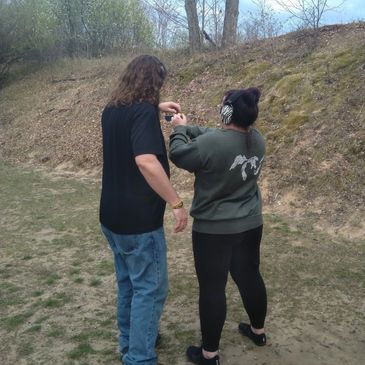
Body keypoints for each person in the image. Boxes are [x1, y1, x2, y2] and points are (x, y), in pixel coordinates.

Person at [99, 55, 188, 365]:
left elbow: (134, 117)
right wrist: (176, 203)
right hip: (138, 223)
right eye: (159, 85)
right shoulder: (141, 113)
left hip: (111, 217)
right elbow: (146, 161)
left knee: (129, 285)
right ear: (153, 83)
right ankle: (139, 358)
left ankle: (130, 343)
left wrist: (156, 109)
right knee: (149, 289)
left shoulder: (112, 111)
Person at [169, 88, 267, 365]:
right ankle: (258, 331)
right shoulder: (257, 138)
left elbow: (178, 154)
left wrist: (178, 130)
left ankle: (209, 354)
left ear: (227, 112)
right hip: (250, 224)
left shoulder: (212, 144)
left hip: (214, 231)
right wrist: (188, 126)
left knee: (212, 288)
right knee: (250, 276)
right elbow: (215, 135)